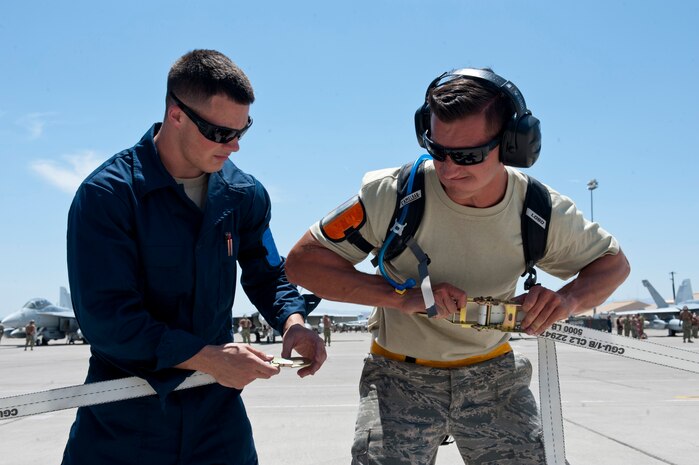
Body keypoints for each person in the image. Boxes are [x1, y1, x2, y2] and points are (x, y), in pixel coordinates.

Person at [286, 67, 630, 464]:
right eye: (438, 151)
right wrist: (402, 297)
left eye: (467, 156)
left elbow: (613, 265)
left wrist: (564, 302)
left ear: (513, 145)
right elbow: (303, 263)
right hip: (399, 378)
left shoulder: (539, 211)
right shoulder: (394, 194)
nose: (448, 170)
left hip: (494, 379)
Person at [61, 49, 326, 465]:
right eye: (221, 133)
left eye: (243, 131)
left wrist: (293, 322)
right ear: (176, 114)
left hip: (216, 420)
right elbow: (107, 319)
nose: (235, 146)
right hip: (124, 417)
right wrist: (210, 359)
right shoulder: (108, 196)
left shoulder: (243, 195)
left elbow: (267, 271)